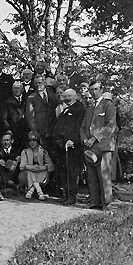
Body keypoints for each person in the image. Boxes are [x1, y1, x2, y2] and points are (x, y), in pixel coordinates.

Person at [80, 81, 118, 210]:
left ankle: (107, 203)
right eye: (91, 89)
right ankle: (95, 201)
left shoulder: (108, 105)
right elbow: (83, 127)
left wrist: (95, 138)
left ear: (101, 90)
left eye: (96, 89)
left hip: (103, 146)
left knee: (104, 176)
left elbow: (111, 126)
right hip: (90, 147)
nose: (93, 92)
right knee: (91, 176)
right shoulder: (90, 108)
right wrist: (85, 139)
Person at [50, 89, 86, 205]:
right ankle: (66, 195)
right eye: (65, 96)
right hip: (61, 145)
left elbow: (79, 126)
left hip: (72, 146)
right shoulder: (66, 108)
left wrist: (73, 140)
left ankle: (71, 197)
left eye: (69, 96)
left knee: (72, 172)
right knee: (63, 172)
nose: (67, 98)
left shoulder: (79, 108)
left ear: (75, 96)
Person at [19, 131, 54, 200]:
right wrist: (32, 168)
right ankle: (40, 192)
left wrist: (41, 168)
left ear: (37, 141)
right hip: (27, 175)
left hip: (41, 174)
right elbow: (22, 166)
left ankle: (31, 190)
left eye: (34, 141)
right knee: (30, 172)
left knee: (43, 172)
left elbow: (50, 166)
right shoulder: (25, 151)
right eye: (30, 141)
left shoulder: (43, 152)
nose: (32, 143)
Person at [25, 74, 58, 147]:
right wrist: (35, 131)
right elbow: (30, 117)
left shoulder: (53, 95)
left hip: (52, 128)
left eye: (39, 83)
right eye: (36, 83)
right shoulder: (31, 98)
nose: (37, 85)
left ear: (45, 83)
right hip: (40, 130)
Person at [1, 81, 29, 150]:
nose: (16, 90)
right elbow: (4, 118)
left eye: (18, 88)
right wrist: (8, 129)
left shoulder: (27, 100)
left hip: (26, 129)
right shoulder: (7, 102)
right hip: (13, 130)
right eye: (15, 88)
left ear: (22, 89)